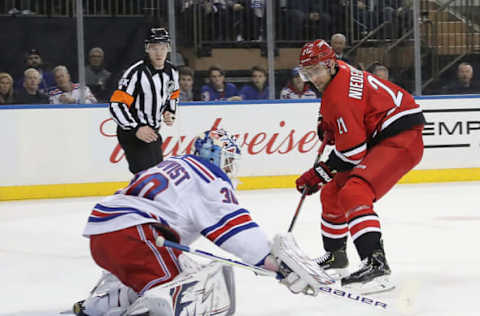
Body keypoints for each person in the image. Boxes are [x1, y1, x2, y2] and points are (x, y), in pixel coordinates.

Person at [73, 128, 330, 316]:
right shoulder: (208, 177)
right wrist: (269, 260)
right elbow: (234, 227)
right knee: (179, 295)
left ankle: (101, 304)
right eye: (228, 161)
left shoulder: (174, 162)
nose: (229, 169)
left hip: (104, 231)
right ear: (215, 158)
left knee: (177, 263)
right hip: (135, 234)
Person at [295, 39, 425, 294]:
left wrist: (319, 173)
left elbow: (352, 153)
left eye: (317, 70)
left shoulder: (340, 93)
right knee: (332, 194)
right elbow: (345, 108)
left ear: (330, 64)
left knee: (355, 192)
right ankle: (336, 257)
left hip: (401, 138)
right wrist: (327, 121)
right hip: (381, 135)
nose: (313, 78)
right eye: (307, 73)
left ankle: (377, 265)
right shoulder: (339, 71)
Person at [109, 27, 179, 174]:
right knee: (148, 175)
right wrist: (136, 128)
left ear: (168, 48)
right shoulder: (136, 73)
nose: (159, 53)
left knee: (156, 175)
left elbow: (173, 94)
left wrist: (169, 111)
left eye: (162, 47)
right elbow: (117, 104)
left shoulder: (172, 71)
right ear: (147, 48)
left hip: (152, 132)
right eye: (154, 48)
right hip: (132, 133)